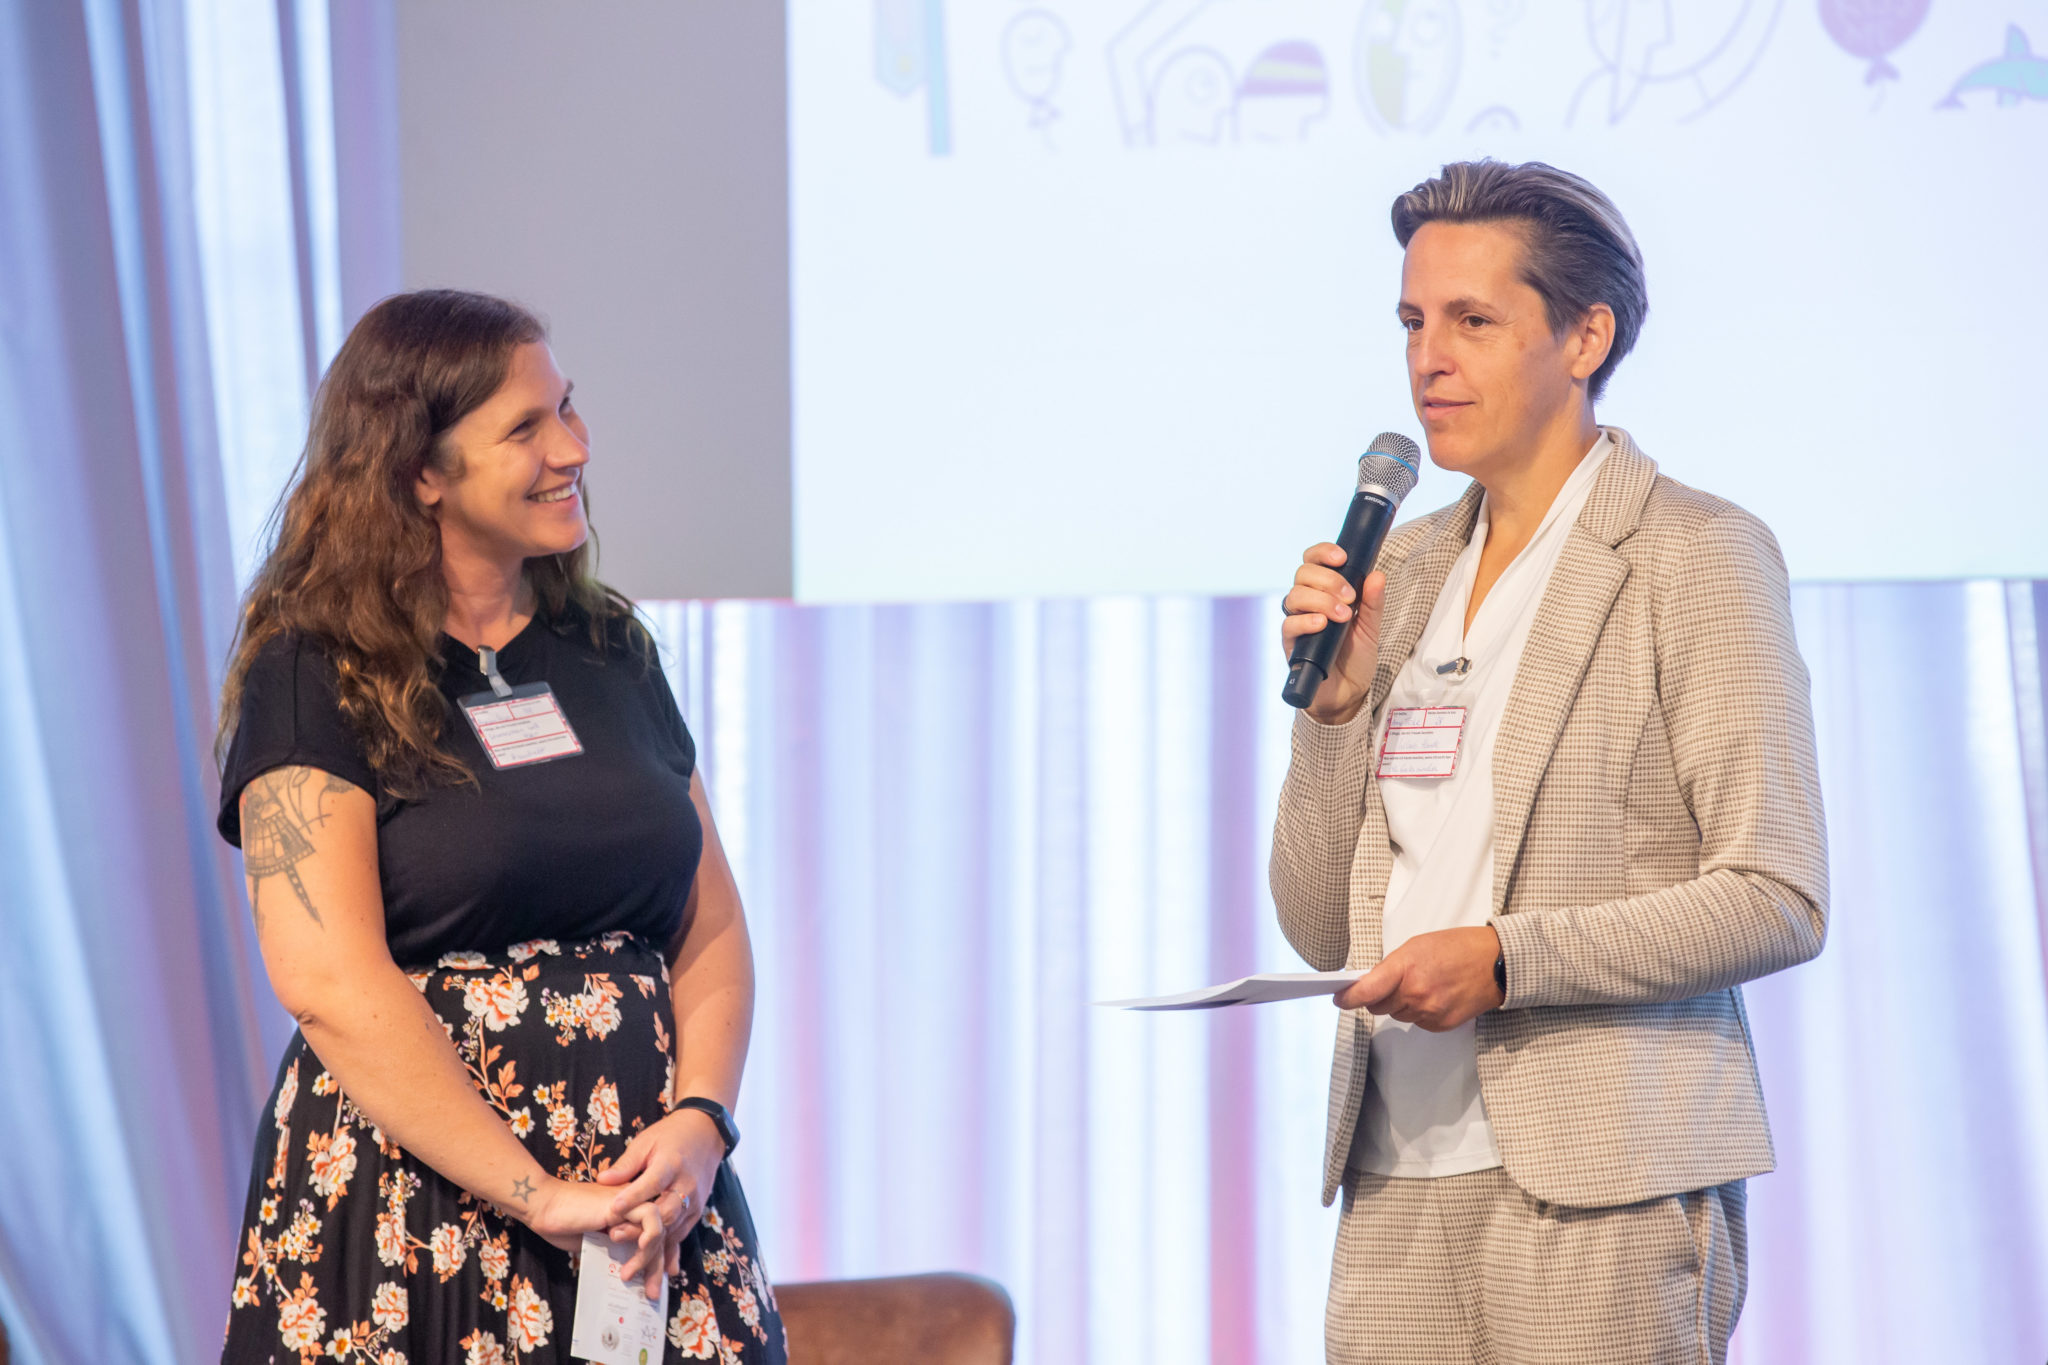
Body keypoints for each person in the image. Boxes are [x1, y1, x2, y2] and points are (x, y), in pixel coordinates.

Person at [1272, 161, 1827, 1364]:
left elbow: (1775, 896)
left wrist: (1503, 960)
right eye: (1411, 322)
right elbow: (1318, 930)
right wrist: (1332, 716)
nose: (1427, 359)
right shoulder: (1404, 568)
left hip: (1602, 1187)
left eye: (1471, 320)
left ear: (1585, 337)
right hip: (1392, 1179)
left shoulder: (1693, 552)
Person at [215, 290, 785, 1363]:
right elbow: (326, 978)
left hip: (648, 1213)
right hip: (415, 1211)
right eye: (525, 427)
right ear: (418, 471)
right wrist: (537, 1194)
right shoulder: (314, 674)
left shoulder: (611, 648)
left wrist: (703, 1123)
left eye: (566, 408)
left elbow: (710, 925)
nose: (572, 447)